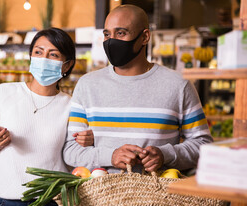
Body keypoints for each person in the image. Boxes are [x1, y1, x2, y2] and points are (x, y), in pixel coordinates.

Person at [0, 27, 94, 206]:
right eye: (38, 52)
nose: (43, 59)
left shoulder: (71, 105)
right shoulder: (4, 92)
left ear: (67, 64)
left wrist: (88, 141)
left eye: (53, 54)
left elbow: (75, 159)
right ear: (30, 56)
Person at [63, 4, 213, 174]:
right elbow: (71, 150)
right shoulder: (87, 85)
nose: (111, 41)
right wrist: (110, 156)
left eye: (121, 33)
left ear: (145, 37)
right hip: (100, 196)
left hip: (158, 196)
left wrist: (166, 154)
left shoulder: (178, 85)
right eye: (107, 34)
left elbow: (204, 145)